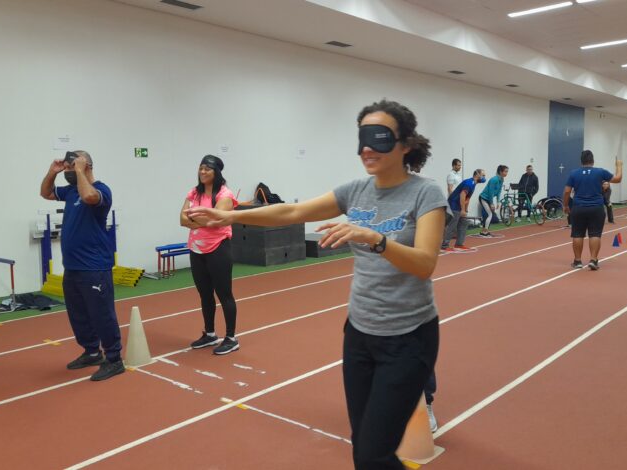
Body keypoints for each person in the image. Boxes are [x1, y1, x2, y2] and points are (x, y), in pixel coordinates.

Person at [188, 99, 446, 470]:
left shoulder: (426, 193)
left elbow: (425, 264)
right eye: (363, 138)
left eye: (379, 137)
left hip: (408, 337)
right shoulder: (355, 190)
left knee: (373, 454)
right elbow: (293, 211)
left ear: (405, 144)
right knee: (364, 447)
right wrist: (227, 213)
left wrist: (376, 239)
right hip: (360, 334)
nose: (368, 148)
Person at [40, 150, 125, 381]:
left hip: (95, 266)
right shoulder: (69, 191)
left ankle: (114, 359)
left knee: (101, 314)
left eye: (72, 167)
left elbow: (89, 197)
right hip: (73, 266)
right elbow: (45, 193)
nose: (68, 172)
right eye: (67, 168)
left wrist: (79, 170)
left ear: (86, 165)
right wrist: (53, 172)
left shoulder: (101, 190)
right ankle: (91, 351)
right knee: (78, 314)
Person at [180, 155, 240, 355]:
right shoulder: (194, 192)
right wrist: (203, 218)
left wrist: (196, 219)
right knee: (204, 294)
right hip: (196, 249)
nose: (203, 172)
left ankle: (231, 337)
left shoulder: (225, 194)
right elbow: (182, 219)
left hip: (218, 249)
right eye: (201, 168)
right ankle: (211, 334)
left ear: (216, 172)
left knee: (224, 294)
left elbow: (216, 221)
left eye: (207, 168)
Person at [563, 150, 623, 270]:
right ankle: (593, 260)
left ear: (581, 161)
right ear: (593, 160)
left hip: (579, 207)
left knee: (577, 234)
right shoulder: (600, 172)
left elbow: (567, 191)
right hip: (596, 208)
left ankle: (578, 261)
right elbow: (617, 179)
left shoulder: (574, 173)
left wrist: (565, 205)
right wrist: (619, 166)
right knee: (595, 234)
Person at [441, 169, 485, 252]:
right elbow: (462, 195)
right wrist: (462, 209)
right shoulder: (469, 183)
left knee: (464, 223)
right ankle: (444, 245)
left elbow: (467, 198)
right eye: (483, 175)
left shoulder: (473, 184)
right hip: (454, 204)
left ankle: (459, 244)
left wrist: (466, 210)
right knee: (452, 224)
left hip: (459, 206)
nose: (484, 178)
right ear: (477, 175)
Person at [478, 165, 508, 236]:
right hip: (484, 198)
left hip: (488, 199)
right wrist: (491, 203)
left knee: (490, 214)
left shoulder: (501, 179)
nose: (507, 173)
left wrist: (498, 202)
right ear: (500, 172)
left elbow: (499, 191)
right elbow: (490, 192)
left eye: (507, 171)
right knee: (490, 214)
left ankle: (484, 230)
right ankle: (485, 231)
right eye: (505, 171)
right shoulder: (494, 179)